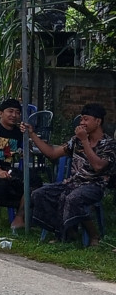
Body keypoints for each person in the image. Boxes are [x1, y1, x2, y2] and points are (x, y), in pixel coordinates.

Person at [27, 104, 116, 246]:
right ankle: (63, 231)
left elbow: (98, 166)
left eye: (86, 119)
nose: (82, 123)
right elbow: (52, 153)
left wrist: (85, 141)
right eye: (81, 119)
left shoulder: (109, 144)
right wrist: (32, 134)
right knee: (39, 194)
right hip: (73, 183)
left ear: (98, 121)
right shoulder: (76, 140)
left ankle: (94, 235)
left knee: (73, 198)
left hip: (94, 186)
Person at [0, 98, 41, 233]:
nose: (14, 115)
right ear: (1, 113)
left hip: (6, 168)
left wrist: (27, 136)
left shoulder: (18, 132)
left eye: (17, 112)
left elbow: (26, 151)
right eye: (10, 111)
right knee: (1, 181)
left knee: (34, 180)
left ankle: (19, 218)